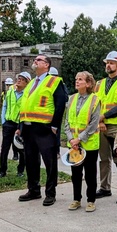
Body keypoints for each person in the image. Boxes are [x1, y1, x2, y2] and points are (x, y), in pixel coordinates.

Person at [17, 54, 68, 206]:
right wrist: (20, 127)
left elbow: (60, 105)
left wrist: (54, 126)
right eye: (35, 60)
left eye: (39, 60)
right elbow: (25, 105)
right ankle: (33, 190)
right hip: (28, 128)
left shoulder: (54, 81)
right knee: (31, 161)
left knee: (50, 162)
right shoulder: (32, 82)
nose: (35, 61)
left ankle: (50, 193)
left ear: (46, 65)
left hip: (45, 128)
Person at [62, 71, 102, 212]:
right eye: (76, 79)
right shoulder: (71, 98)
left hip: (89, 144)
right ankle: (76, 199)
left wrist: (80, 138)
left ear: (89, 83)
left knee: (90, 174)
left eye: (80, 79)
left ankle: (91, 200)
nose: (77, 81)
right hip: (74, 145)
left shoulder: (95, 100)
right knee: (76, 173)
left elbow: (93, 123)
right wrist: (71, 138)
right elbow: (67, 122)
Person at [96, 51, 117, 204]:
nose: (108, 65)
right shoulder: (99, 84)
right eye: (107, 63)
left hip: (116, 126)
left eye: (111, 63)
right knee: (104, 159)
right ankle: (105, 187)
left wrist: (104, 117)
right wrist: (99, 121)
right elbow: (95, 104)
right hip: (101, 125)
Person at [0, 73, 29, 177]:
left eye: (22, 79)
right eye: (18, 79)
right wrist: (3, 121)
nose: (18, 80)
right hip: (8, 124)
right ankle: (2, 171)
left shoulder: (27, 95)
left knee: (21, 149)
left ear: (26, 83)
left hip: (19, 125)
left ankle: (20, 171)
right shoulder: (10, 92)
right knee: (4, 149)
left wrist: (21, 127)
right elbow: (5, 106)